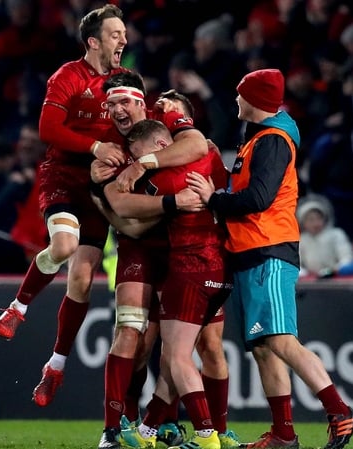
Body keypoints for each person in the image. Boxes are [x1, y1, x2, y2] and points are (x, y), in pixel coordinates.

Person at [185, 68, 353, 449]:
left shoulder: (273, 140)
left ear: (256, 101)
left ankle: (339, 410)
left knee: (281, 340)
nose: (236, 99)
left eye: (240, 94)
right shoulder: (259, 138)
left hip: (268, 248)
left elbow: (259, 199)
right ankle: (283, 434)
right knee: (265, 348)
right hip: (252, 250)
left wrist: (213, 200)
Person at [0, 3, 129, 408]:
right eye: (115, 34)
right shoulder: (68, 77)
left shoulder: (123, 81)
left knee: (82, 281)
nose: (123, 40)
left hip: (98, 186)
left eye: (123, 33)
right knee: (65, 247)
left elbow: (137, 122)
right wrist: (96, 145)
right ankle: (18, 306)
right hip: (64, 177)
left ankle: (55, 367)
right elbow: (48, 129)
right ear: (94, 41)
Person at [91, 74, 237, 449]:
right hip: (154, 251)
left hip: (192, 258)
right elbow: (126, 217)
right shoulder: (109, 145)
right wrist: (172, 206)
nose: (117, 110)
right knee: (138, 337)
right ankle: (123, 427)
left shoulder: (167, 121)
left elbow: (197, 144)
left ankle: (205, 432)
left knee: (197, 347)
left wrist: (144, 166)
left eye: (124, 102)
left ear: (142, 102)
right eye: (111, 104)